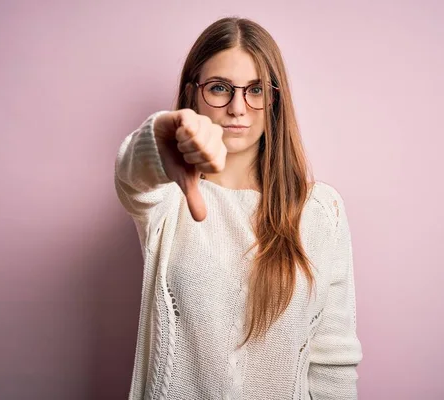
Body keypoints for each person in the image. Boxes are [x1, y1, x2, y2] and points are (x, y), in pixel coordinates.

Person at [114, 16, 363, 400]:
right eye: (219, 88)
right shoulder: (166, 198)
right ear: (192, 94)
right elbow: (135, 173)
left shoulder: (319, 210)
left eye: (256, 90)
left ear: (274, 99)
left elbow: (333, 361)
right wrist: (159, 140)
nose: (237, 107)